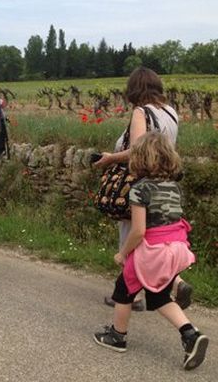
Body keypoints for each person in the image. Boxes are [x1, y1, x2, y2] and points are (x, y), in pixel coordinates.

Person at [93, 132, 209, 371]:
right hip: (177, 247)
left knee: (124, 290)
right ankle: (191, 335)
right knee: (159, 296)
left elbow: (138, 231)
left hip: (153, 250)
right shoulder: (173, 187)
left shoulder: (140, 188)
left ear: (139, 159)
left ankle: (117, 336)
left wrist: (123, 253)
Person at [94, 66, 192, 310]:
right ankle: (176, 282)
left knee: (132, 234)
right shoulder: (171, 112)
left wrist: (109, 158)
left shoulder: (141, 112)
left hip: (139, 181)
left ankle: (132, 295)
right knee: (156, 237)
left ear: (134, 90)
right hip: (165, 183)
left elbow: (137, 150)